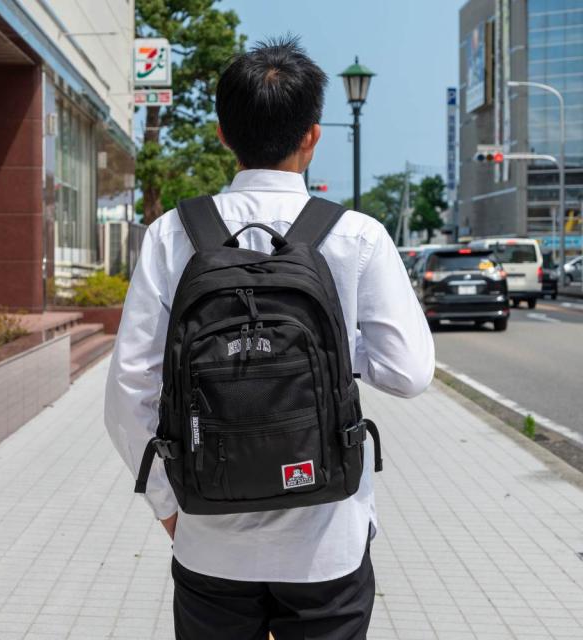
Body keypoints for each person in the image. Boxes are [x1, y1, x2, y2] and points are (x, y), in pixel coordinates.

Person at [104, 36, 435, 640]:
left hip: (209, 541)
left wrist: (168, 509)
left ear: (222, 135)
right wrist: (336, 350)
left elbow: (130, 390)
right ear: (313, 136)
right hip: (326, 539)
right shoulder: (357, 236)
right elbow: (409, 373)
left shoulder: (171, 234)